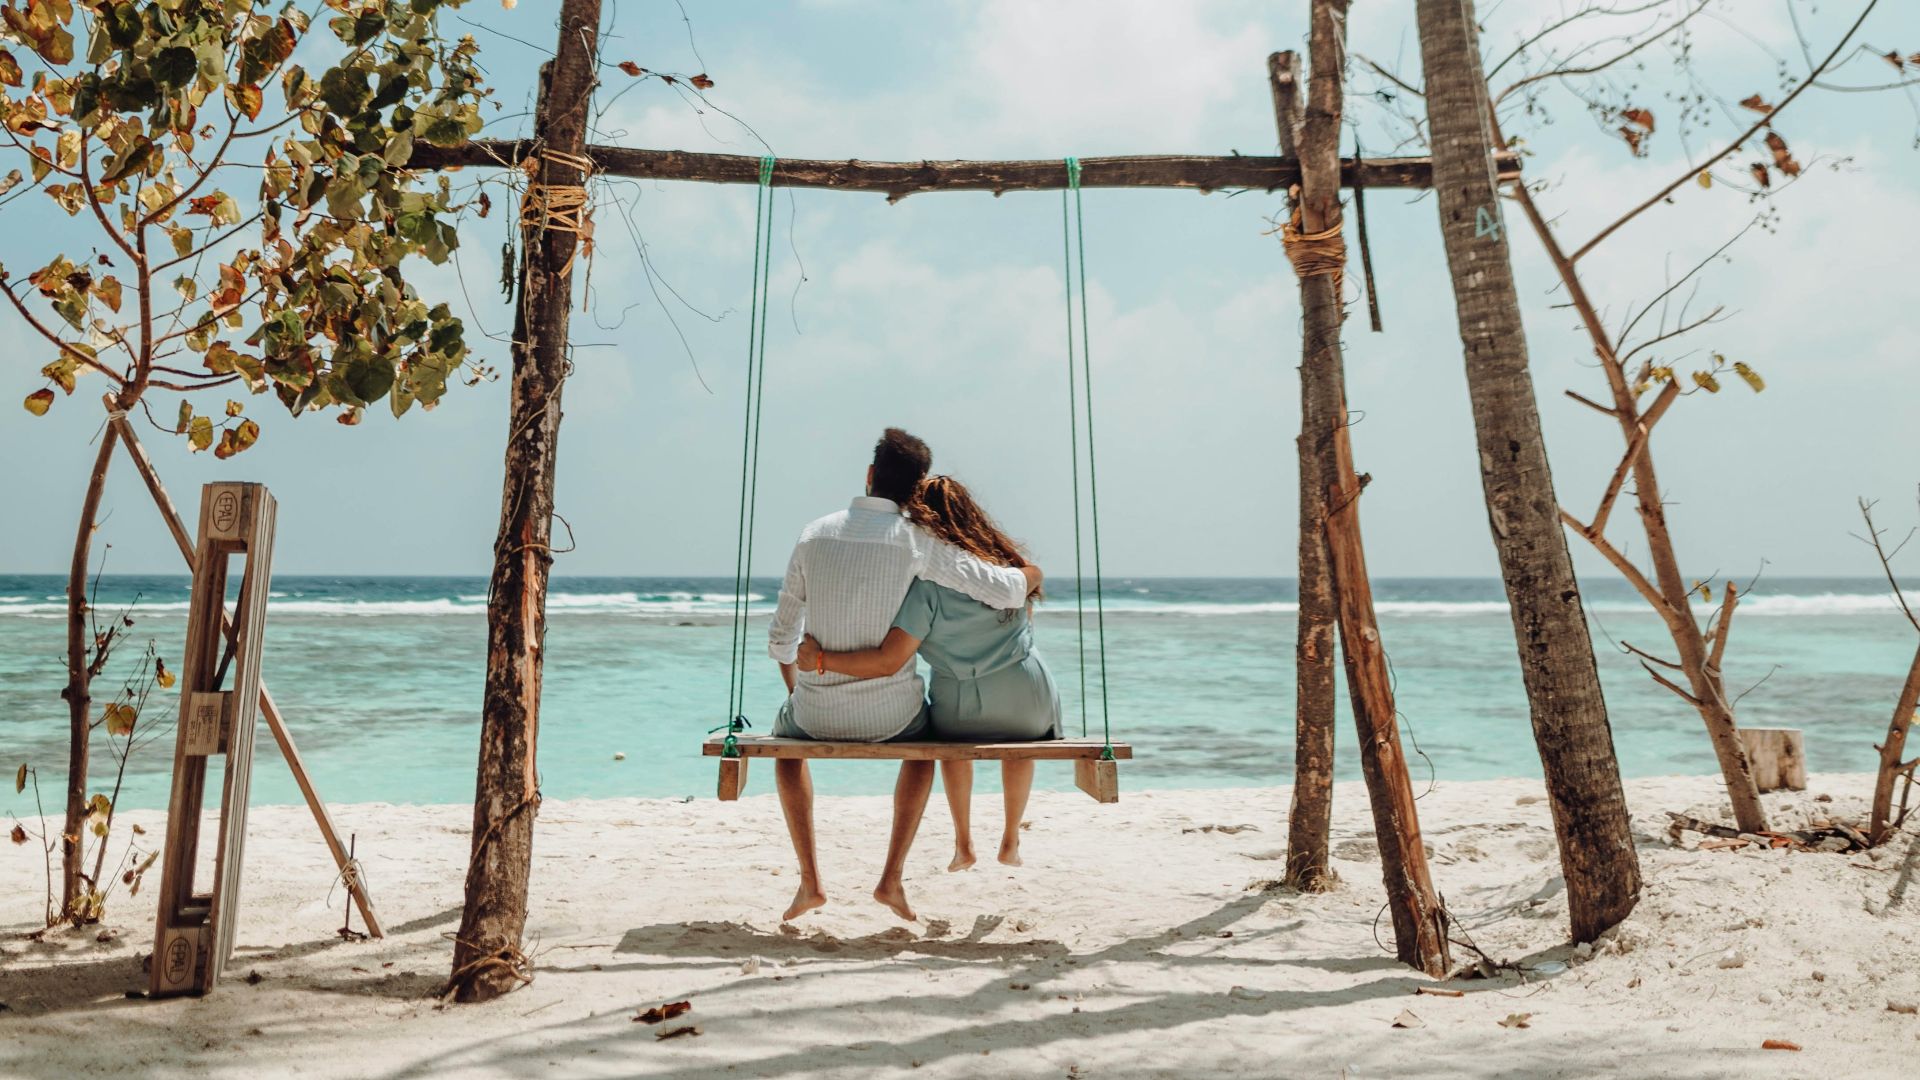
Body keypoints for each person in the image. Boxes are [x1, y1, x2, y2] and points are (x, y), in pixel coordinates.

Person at [765, 430, 1043, 923]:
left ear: (869, 476)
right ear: (917, 492)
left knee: (787, 752)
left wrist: (804, 689)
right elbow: (1004, 592)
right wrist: (1030, 575)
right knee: (923, 753)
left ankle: (810, 882)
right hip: (894, 717)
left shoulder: (813, 534)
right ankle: (891, 879)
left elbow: (782, 638)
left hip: (814, 713)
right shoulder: (919, 540)